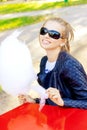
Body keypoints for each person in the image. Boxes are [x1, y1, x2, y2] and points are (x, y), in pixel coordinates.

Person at [37, 17, 87, 109]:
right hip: (56, 119)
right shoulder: (44, 61)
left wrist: (63, 102)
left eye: (54, 34)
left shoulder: (69, 65)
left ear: (63, 42)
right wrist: (34, 101)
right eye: (44, 31)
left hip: (72, 120)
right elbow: (50, 98)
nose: (46, 36)